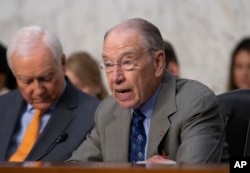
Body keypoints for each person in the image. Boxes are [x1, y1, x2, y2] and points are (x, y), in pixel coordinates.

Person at [67, 18, 227, 164]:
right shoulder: (107, 111)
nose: (115, 78)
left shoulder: (195, 103)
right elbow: (74, 167)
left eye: (127, 62)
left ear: (157, 63)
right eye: (108, 65)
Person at [0, 25, 100, 161]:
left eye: (46, 78)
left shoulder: (94, 115)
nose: (38, 90)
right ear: (14, 73)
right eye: (26, 81)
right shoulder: (3, 105)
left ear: (63, 63)